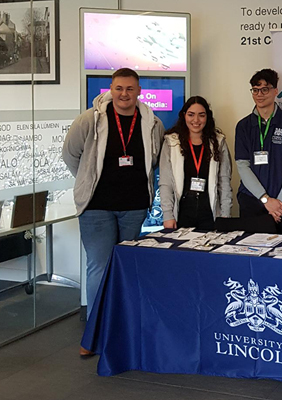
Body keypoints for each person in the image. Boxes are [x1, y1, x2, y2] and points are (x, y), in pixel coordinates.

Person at [62, 68, 164, 354]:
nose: (124, 94)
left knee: (127, 267)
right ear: (110, 88)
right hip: (96, 206)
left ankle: (123, 327)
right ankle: (94, 333)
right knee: (99, 266)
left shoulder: (152, 123)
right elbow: (70, 154)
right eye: (119, 88)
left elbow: (153, 159)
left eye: (130, 89)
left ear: (139, 91)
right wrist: (87, 182)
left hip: (133, 207)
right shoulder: (90, 119)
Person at [234, 68, 282, 235]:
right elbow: (242, 166)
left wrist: (278, 204)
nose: (259, 94)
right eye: (255, 90)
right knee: (248, 253)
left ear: (275, 91)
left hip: (281, 205)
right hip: (251, 202)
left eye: (265, 89)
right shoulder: (243, 126)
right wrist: (265, 200)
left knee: (279, 254)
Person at [159, 96, 232, 230]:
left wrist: (225, 215)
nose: (196, 120)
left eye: (201, 115)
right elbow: (166, 183)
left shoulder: (218, 142)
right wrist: (168, 215)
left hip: (209, 210)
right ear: (184, 115)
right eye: (191, 115)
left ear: (207, 117)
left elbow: (224, 182)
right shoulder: (171, 142)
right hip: (182, 210)